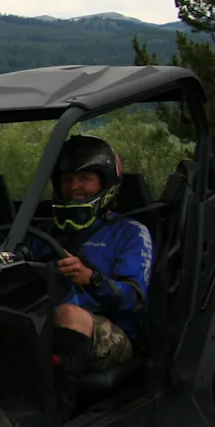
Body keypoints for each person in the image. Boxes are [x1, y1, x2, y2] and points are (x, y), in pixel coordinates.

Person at [45, 135, 154, 384]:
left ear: (105, 183)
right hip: (45, 324)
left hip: (114, 334)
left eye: (85, 179)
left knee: (69, 315)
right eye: (67, 179)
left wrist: (91, 279)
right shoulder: (43, 234)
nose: (74, 187)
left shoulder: (130, 233)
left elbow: (134, 299)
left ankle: (58, 404)